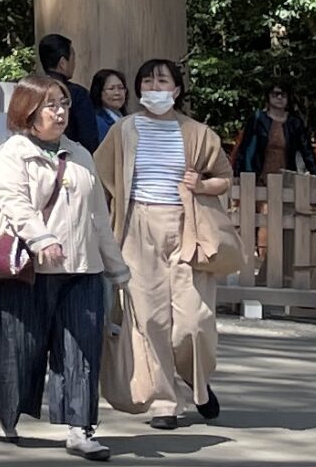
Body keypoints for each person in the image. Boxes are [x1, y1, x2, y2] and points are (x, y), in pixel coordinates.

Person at [0, 71, 126, 459]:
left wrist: (117, 267)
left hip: (82, 270)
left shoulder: (81, 154)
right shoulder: (14, 152)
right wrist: (41, 237)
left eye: (64, 103)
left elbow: (99, 216)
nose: (60, 111)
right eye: (51, 104)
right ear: (28, 111)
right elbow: (14, 202)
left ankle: (81, 429)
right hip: (26, 271)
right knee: (19, 347)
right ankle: (5, 409)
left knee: (82, 349)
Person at [95, 56, 232, 431]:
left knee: (194, 321)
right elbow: (99, 177)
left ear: (177, 89)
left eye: (163, 81)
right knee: (151, 320)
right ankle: (165, 401)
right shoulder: (123, 130)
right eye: (148, 82)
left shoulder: (198, 133)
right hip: (138, 227)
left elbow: (223, 177)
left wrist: (200, 185)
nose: (155, 89)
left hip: (188, 227)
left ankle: (194, 377)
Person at [232, 83, 316, 178]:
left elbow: (307, 151)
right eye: (275, 94)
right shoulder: (257, 119)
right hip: (257, 178)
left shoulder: (295, 123)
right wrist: (237, 174)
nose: (279, 97)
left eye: (284, 95)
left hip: (286, 179)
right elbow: (244, 148)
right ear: (268, 97)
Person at [40, 34, 108, 153]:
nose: (75, 63)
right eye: (73, 58)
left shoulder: (31, 90)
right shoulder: (77, 94)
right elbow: (89, 139)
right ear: (62, 63)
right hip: (71, 161)